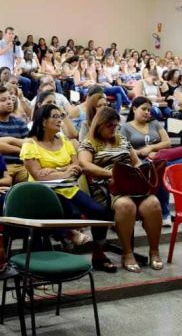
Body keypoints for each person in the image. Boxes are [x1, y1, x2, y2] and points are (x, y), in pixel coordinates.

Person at [21, 104, 115, 271]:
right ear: (43, 121)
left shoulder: (64, 141)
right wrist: (65, 171)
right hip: (42, 192)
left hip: (68, 188)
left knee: (99, 212)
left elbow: (77, 167)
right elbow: (38, 175)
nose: (60, 120)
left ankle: (99, 254)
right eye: (55, 116)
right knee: (71, 212)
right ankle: (66, 235)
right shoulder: (30, 143)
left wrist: (55, 171)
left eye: (61, 116)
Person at [79, 107, 163, 273]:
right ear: (99, 125)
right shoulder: (89, 144)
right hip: (107, 188)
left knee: (153, 203)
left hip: (131, 184)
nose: (114, 129)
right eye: (110, 126)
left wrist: (140, 171)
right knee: (126, 205)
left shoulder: (122, 140)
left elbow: (136, 161)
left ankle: (154, 251)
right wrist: (110, 173)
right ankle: (127, 253)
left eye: (116, 126)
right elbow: (85, 165)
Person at [121, 97, 182, 226]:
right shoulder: (126, 127)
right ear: (134, 109)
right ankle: (165, 213)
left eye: (149, 110)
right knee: (159, 171)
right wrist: (141, 152)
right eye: (143, 109)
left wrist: (152, 148)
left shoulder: (154, 123)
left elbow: (167, 142)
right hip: (141, 161)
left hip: (161, 157)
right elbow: (124, 148)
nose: (147, 112)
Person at [0, 86, 29, 184]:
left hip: (22, 167)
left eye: (10, 99)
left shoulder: (19, 122)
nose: (9, 102)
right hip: (0, 167)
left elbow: (31, 145)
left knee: (36, 186)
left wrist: (9, 140)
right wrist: (20, 149)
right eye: (3, 100)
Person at [0, 27, 31, 98]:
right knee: (1, 90)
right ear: (5, 34)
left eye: (12, 34)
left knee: (26, 82)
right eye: (9, 33)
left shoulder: (16, 44)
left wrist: (17, 65)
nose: (11, 35)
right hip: (1, 72)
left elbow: (19, 57)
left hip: (12, 72)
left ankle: (21, 99)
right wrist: (8, 46)